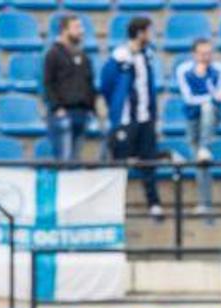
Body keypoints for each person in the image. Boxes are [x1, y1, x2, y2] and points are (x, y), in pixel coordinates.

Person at [100, 16, 164, 220]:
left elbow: (148, 88)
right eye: (148, 31)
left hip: (145, 119)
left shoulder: (147, 56)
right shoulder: (119, 58)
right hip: (126, 120)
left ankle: (154, 204)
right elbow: (106, 86)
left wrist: (153, 114)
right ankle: (112, 207)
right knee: (119, 164)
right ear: (140, 33)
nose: (151, 35)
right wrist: (117, 110)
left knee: (149, 162)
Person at [175, 38, 221, 216]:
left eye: (209, 53)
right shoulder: (183, 70)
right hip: (192, 118)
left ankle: (205, 145)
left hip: (211, 117)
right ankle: (204, 203)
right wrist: (212, 96)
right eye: (202, 54)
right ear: (194, 54)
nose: (206, 57)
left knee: (207, 108)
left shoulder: (219, 69)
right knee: (200, 163)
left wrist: (211, 94)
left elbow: (218, 96)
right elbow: (189, 98)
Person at [43, 15, 96, 162]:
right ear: (65, 30)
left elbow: (89, 83)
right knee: (64, 160)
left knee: (75, 159)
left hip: (82, 113)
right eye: (77, 27)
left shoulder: (84, 56)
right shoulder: (53, 54)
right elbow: (47, 83)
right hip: (63, 114)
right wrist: (57, 107)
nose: (81, 31)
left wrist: (91, 108)